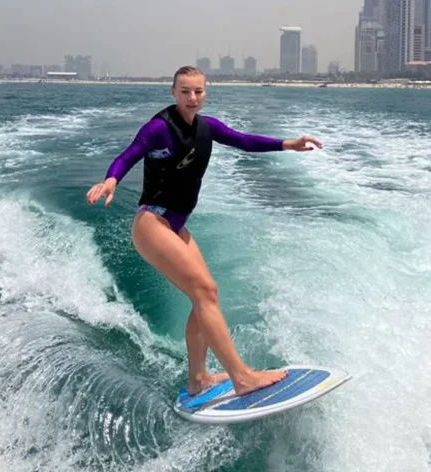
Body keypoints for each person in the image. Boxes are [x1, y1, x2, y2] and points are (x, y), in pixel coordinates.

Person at [86, 66, 323, 397]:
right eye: (185, 91)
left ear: (205, 93)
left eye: (198, 91)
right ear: (173, 92)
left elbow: (244, 141)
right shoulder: (158, 129)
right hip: (152, 222)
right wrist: (111, 180)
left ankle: (198, 378)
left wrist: (288, 144)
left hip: (177, 225)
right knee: (205, 292)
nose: (192, 98)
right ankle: (241, 376)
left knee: (206, 297)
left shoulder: (207, 128)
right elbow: (129, 155)